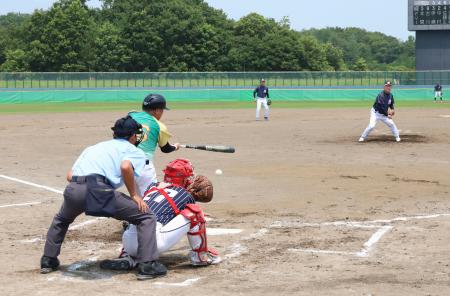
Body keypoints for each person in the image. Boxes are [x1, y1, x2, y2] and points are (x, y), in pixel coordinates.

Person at [40, 115, 167, 281]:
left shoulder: (93, 147)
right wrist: (134, 195)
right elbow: (125, 166)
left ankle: (48, 261)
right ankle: (148, 265)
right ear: (132, 136)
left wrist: (85, 191)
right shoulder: (135, 151)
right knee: (146, 216)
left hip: (74, 189)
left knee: (61, 219)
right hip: (99, 191)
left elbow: (70, 176)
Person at [100, 159, 221, 271]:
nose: (191, 179)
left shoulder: (152, 188)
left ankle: (128, 257)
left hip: (128, 242)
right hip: (154, 243)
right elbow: (189, 214)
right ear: (183, 179)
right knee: (195, 213)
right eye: (189, 176)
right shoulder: (186, 195)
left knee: (140, 216)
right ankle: (200, 257)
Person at [129, 94, 180, 196]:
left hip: (125, 165)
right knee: (151, 198)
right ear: (156, 110)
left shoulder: (131, 116)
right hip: (143, 167)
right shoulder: (159, 126)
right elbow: (165, 148)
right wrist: (175, 147)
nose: (162, 113)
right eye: (162, 110)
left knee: (137, 199)